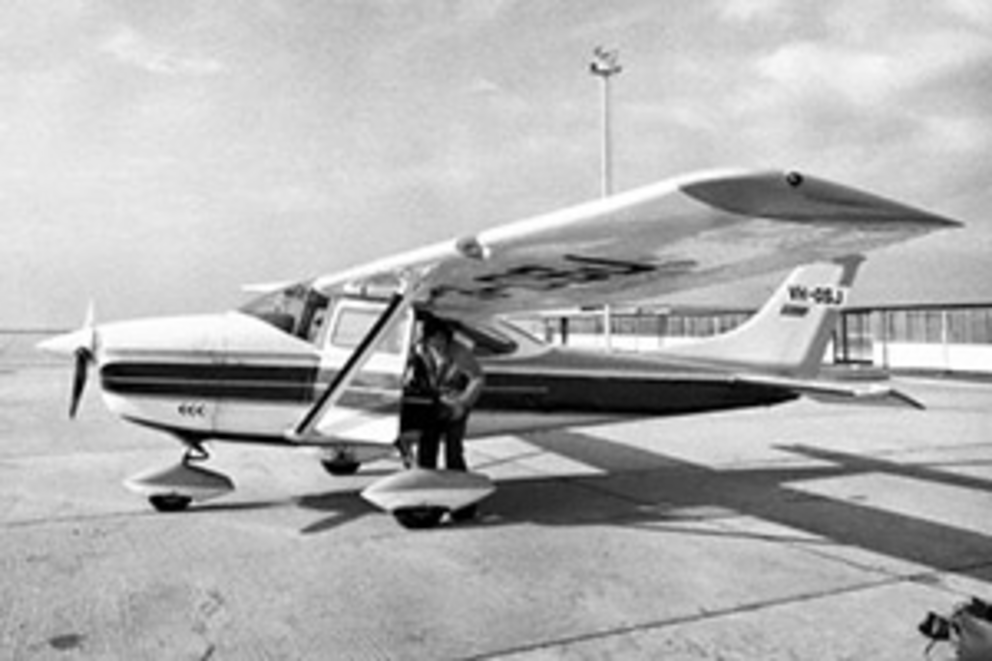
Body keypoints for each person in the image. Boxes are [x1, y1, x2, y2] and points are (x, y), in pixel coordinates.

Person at [406, 315, 484, 473]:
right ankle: (425, 474)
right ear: (427, 339)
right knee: (428, 439)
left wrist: (463, 403)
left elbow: (477, 378)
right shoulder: (420, 350)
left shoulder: (460, 352)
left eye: (441, 339)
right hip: (433, 399)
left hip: (456, 399)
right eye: (434, 339)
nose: (438, 343)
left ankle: (458, 476)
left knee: (453, 445)